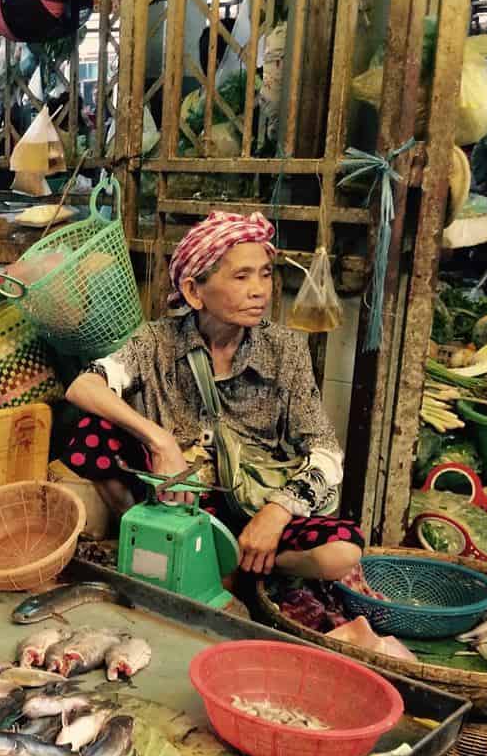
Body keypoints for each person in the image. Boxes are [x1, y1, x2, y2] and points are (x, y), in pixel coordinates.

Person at [62, 211, 363, 582]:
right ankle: (149, 536)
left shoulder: (285, 349)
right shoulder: (157, 341)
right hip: (174, 504)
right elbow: (84, 386)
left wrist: (278, 511)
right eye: (241, 276)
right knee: (90, 433)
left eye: (265, 273)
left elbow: (327, 451)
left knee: (342, 553)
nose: (260, 290)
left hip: (250, 505)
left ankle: (229, 563)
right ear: (193, 291)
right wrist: (161, 441)